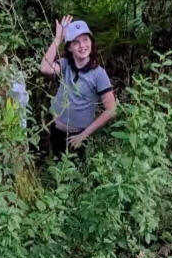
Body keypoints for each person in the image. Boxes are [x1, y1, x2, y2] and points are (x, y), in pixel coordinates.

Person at [40, 15, 117, 157]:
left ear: (91, 42)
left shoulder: (98, 74)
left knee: (73, 169)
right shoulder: (65, 65)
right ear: (69, 47)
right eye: (76, 42)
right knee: (56, 165)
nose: (82, 46)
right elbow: (44, 68)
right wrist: (58, 39)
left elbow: (111, 110)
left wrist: (84, 134)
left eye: (85, 40)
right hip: (55, 128)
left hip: (76, 136)